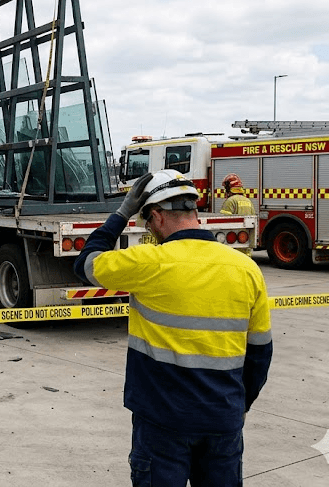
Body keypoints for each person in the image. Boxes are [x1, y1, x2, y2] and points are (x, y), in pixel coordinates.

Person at [73, 170, 272, 487]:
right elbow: (260, 354)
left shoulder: (147, 262)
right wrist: (238, 406)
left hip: (162, 422)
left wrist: (123, 213)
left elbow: (86, 263)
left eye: (147, 222)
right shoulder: (247, 269)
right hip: (223, 420)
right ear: (194, 211)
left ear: (155, 216)